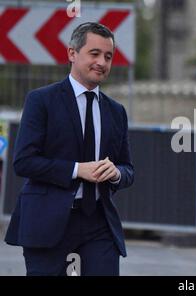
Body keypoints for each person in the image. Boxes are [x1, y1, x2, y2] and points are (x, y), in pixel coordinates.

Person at [4, 22, 134, 276]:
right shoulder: (41, 100)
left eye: (108, 56)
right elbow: (24, 162)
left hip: (99, 223)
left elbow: (128, 168)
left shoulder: (116, 112)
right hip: (47, 221)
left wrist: (116, 173)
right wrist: (77, 170)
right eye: (94, 53)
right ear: (72, 54)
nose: (102, 62)